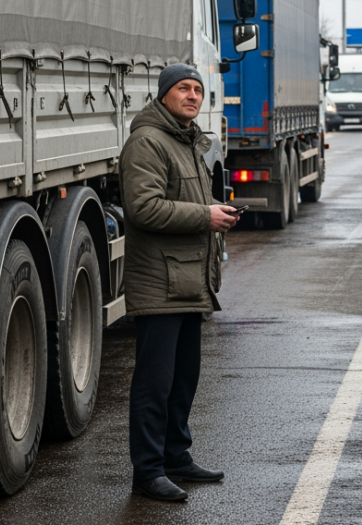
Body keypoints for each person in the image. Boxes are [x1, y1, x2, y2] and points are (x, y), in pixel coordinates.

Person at [119, 63, 240, 502]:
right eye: (183, 89)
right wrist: (205, 216)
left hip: (189, 281)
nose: (192, 96)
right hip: (160, 282)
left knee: (184, 378)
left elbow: (184, 198)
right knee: (155, 383)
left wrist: (214, 209)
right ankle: (148, 471)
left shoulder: (187, 139)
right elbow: (143, 208)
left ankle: (176, 457)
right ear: (164, 94)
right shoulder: (147, 141)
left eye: (197, 90)